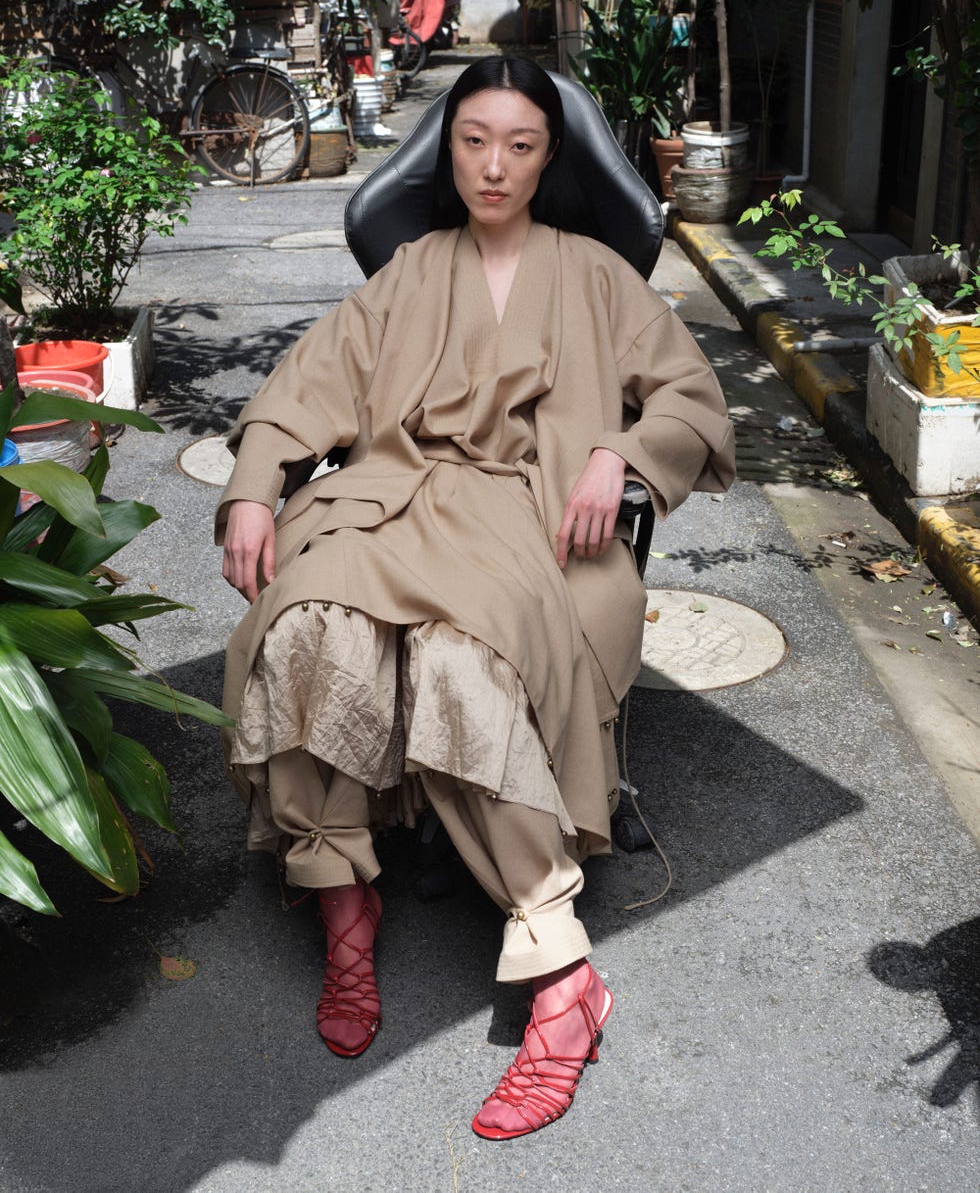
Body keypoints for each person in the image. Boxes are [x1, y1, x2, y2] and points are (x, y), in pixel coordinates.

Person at [217, 56, 735, 1140]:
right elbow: (306, 386)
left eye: (520, 145)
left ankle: (559, 975)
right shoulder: (406, 270)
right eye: (472, 140)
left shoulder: (596, 274)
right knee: (314, 627)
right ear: (442, 149)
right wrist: (256, 490)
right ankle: (342, 900)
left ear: (549, 160)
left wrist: (618, 452)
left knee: (462, 665)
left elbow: (688, 395)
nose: (493, 165)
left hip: (524, 515)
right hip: (387, 498)